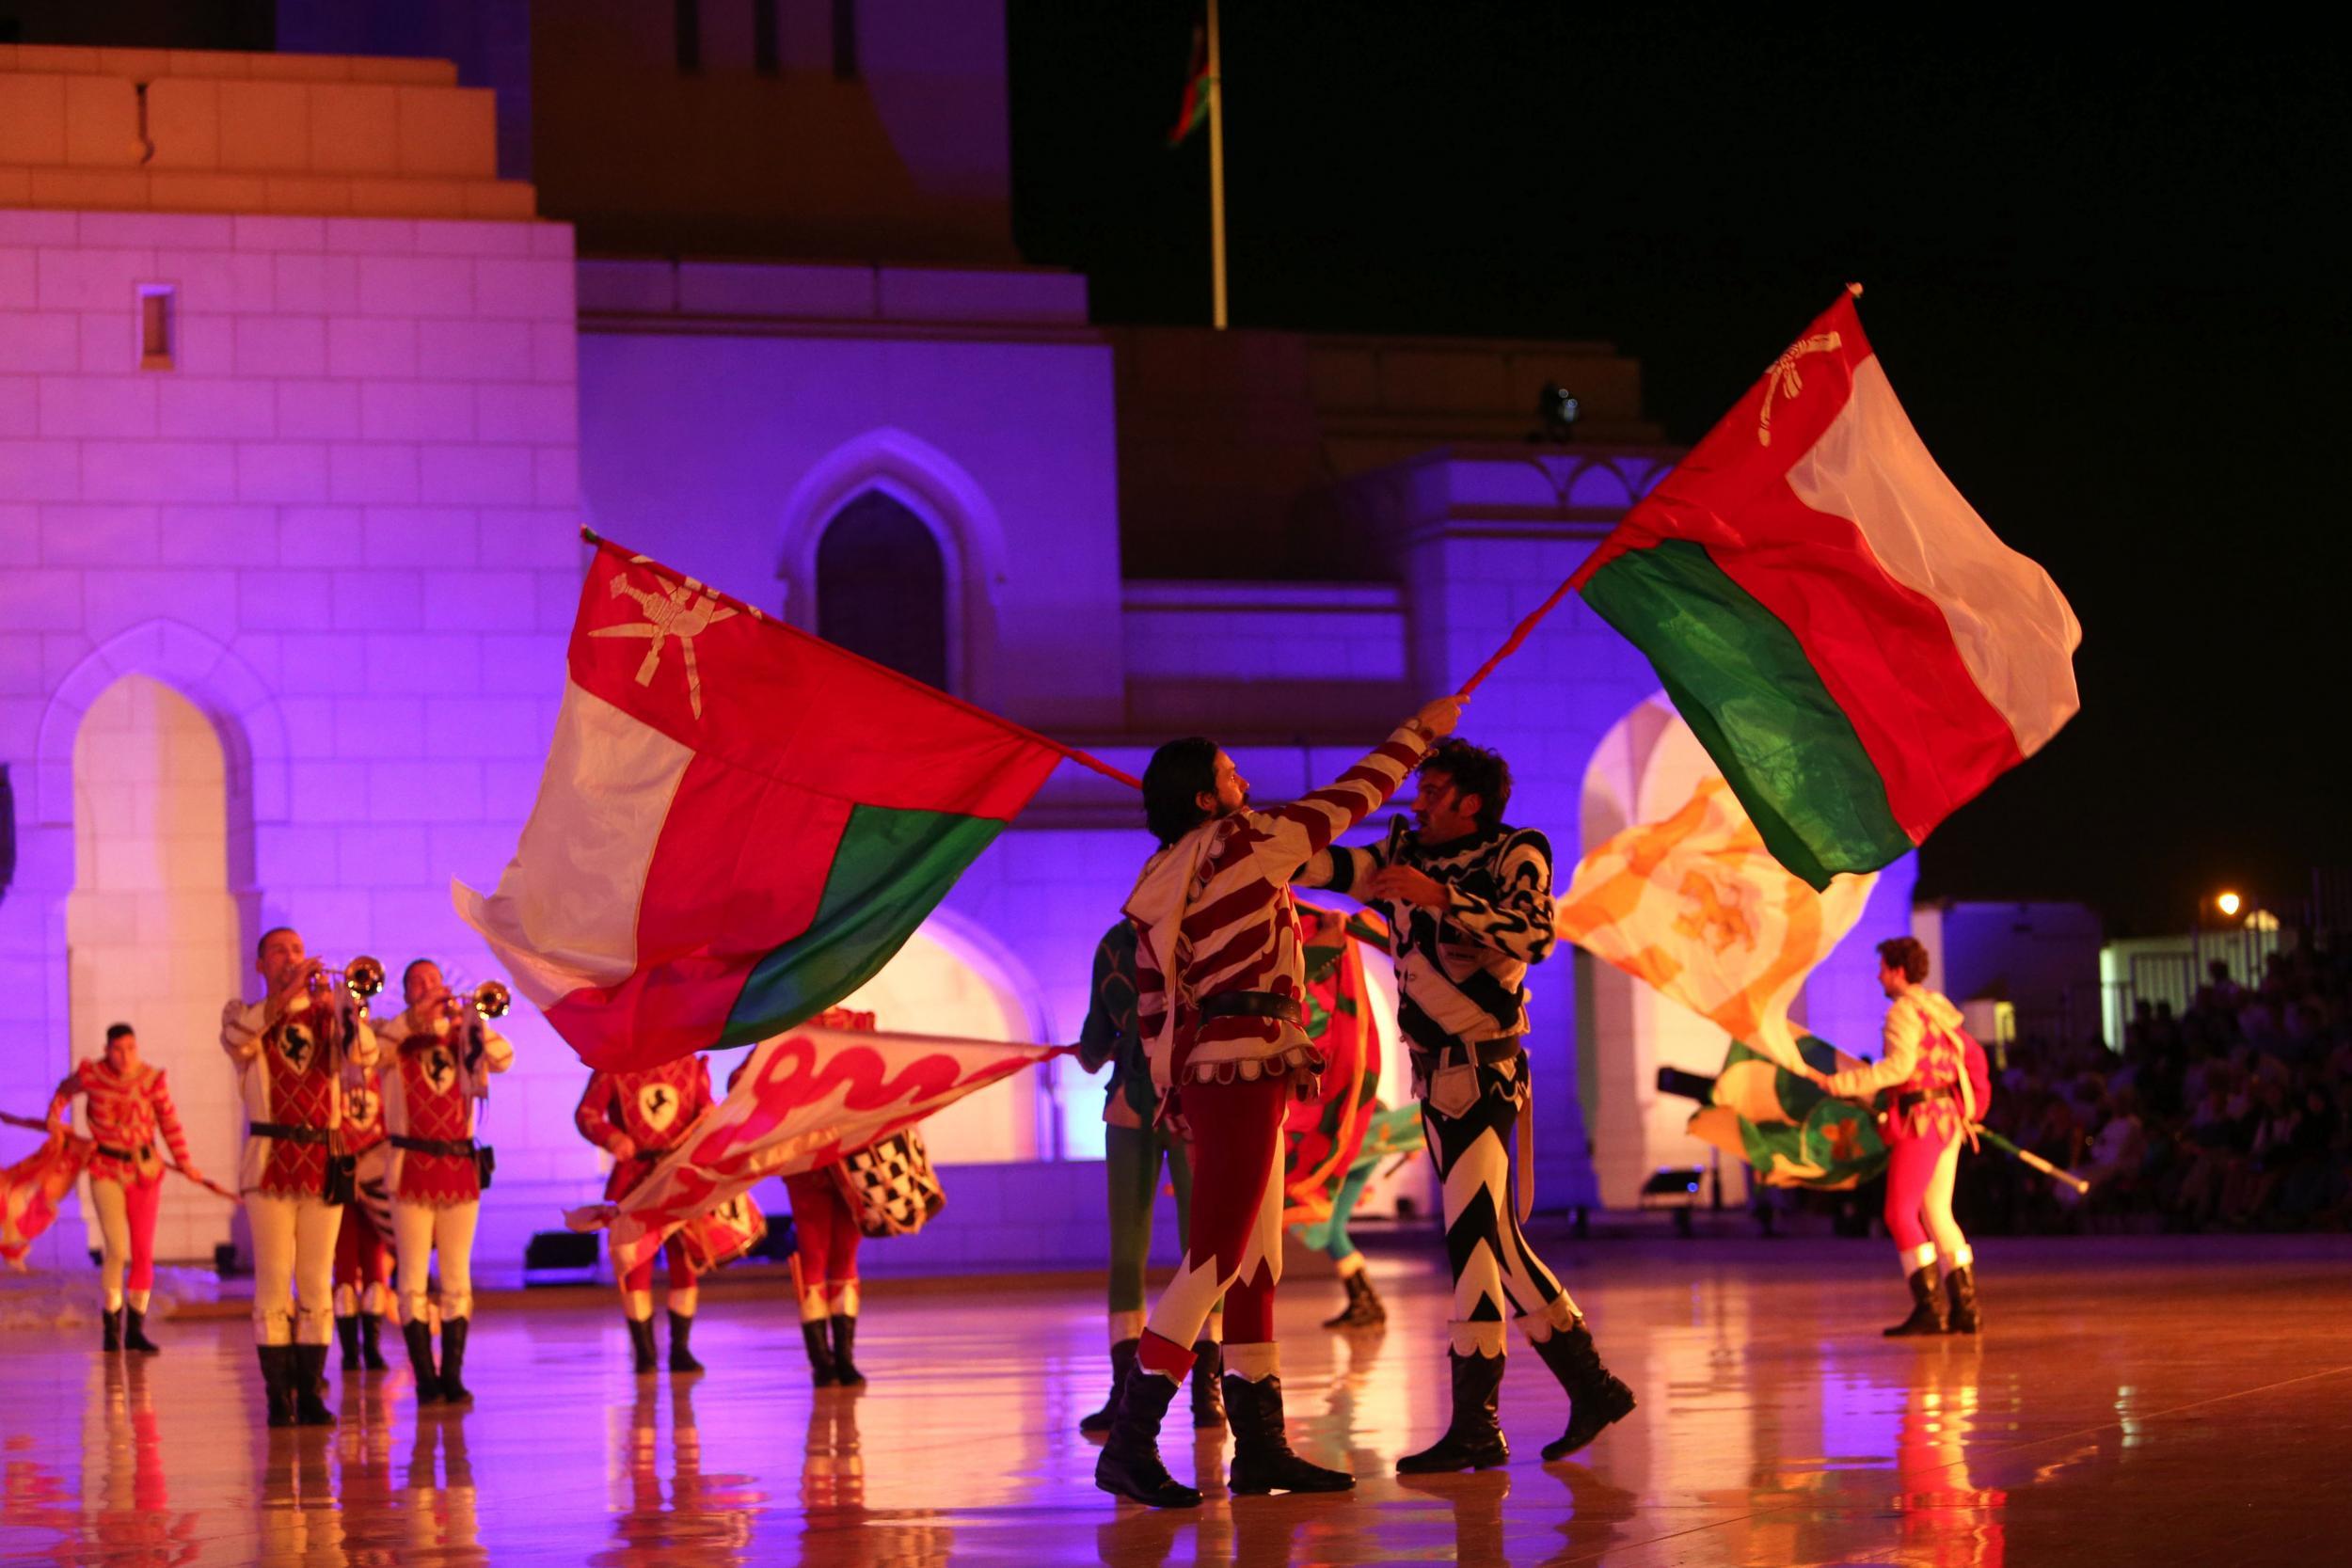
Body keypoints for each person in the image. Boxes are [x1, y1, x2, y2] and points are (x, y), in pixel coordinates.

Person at [1094, 695, 1458, 1510]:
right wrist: (1421, 734)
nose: (1245, 779)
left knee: (1258, 1260)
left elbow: (1157, 1005)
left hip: (1215, 1069)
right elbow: (1350, 797)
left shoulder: (1163, 873)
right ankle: (1130, 1439)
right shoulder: (1248, 838)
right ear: (1205, 796)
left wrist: (1171, 1088)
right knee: (1219, 1256)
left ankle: (1262, 1447)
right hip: (1248, 1062)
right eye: (1230, 772)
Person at [1302, 736, 1634, 1471]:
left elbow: (1538, 934)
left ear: (1471, 801)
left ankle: (1478, 1424)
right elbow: (1344, 870)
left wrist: (1444, 897)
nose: (1417, 800)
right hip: (1433, 1078)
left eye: (1434, 788)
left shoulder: (1518, 850)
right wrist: (1278, 849)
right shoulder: (1403, 852)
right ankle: (1594, 1384)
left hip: (1485, 1073)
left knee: (1474, 1245)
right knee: (1499, 1243)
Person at [221, 927, 379, 1426]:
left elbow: (366, 1057)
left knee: (315, 1281)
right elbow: (241, 1038)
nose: (290, 958)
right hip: (269, 1160)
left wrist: (348, 1009)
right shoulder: (240, 1014)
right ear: (260, 965)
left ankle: (310, 1392)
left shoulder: (330, 1014)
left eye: (296, 949)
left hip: (323, 1160)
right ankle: (277, 1397)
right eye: (278, 952)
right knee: (273, 1280)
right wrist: (291, 993)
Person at [1073, 921, 1222, 1434]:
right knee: (1197, 1249)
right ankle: (1198, 1393)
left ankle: (1159, 1391)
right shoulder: (1204, 932)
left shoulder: (1117, 940)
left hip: (1150, 1103)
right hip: (1184, 1100)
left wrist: (1090, 1051)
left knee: (1174, 1251)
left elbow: (1098, 1030)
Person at [1807, 936, 1991, 1337]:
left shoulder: (1904, 1012)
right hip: (1947, 1119)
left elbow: (1899, 1069)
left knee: (1900, 1212)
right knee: (1938, 1214)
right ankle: (1966, 1309)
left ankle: (1931, 1308)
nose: (1878, 975)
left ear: (1898, 970)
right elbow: (1971, 1058)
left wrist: (1844, 1083)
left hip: (1921, 1121)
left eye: (1883, 967)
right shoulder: (1939, 1010)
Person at [378, 959, 514, 1404]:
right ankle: (425, 1378)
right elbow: (370, 1053)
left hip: (458, 1167)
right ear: (404, 993)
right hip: (411, 1164)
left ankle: (452, 1375)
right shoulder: (394, 1036)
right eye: (417, 983)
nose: (427, 987)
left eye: (434, 981)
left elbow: (505, 1058)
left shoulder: (464, 1037)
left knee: (457, 1274)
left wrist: (470, 1018)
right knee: (413, 1275)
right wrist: (415, 1020)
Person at [49, 1023, 204, 1354]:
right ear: (108, 1050)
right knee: (117, 1249)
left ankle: (135, 1328)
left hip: (144, 1171)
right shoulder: (93, 1076)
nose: (125, 1056)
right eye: (119, 1049)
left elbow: (168, 1121)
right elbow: (64, 1090)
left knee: (143, 1252)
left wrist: (185, 1161)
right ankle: (111, 1327)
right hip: (105, 1168)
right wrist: (54, 1118)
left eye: (131, 1048)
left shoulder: (150, 1080)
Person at [575, 1054, 714, 1374]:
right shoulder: (615, 1065)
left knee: (684, 1261)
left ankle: (681, 1349)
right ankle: (645, 1353)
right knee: (634, 1263)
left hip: (679, 1179)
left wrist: (710, 1117)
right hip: (634, 1181)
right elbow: (586, 1113)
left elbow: (705, 1108)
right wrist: (612, 1137)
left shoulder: (691, 1065)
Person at [331, 1045, 394, 1373]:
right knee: (344, 1267)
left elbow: (389, 1123)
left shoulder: (382, 1077)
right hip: (338, 1177)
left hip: (373, 1179)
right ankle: (349, 1352)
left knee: (374, 1267)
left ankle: (371, 1346)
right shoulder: (331, 1074)